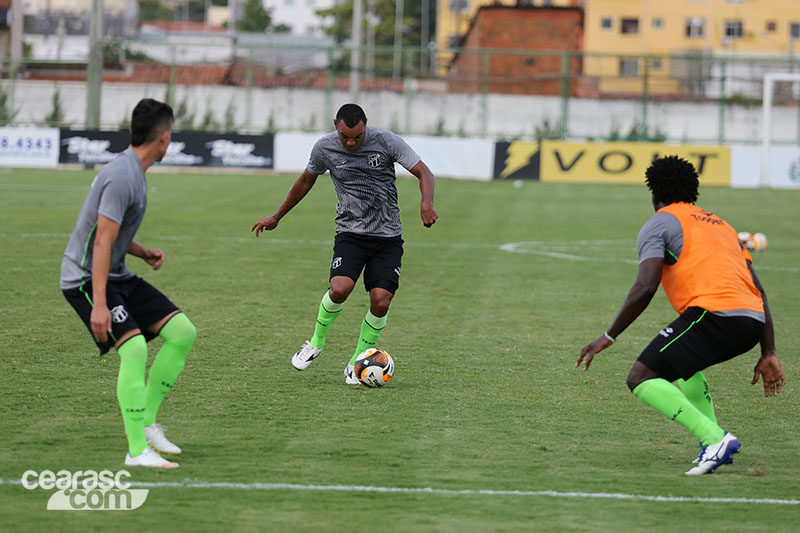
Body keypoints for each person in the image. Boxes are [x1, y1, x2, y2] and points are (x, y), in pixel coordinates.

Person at [576, 155, 785, 476]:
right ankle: (714, 445)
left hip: (716, 316)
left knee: (641, 377)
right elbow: (760, 291)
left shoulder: (660, 222)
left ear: (654, 192)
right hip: (751, 321)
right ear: (693, 190)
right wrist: (768, 350)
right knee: (686, 366)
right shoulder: (723, 226)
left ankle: (715, 438)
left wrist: (609, 335)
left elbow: (646, 285)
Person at [251, 103, 438, 383]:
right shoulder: (324, 147)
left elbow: (424, 171)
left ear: (365, 125)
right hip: (350, 232)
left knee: (381, 301)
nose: (351, 142)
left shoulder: (386, 141)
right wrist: (278, 216)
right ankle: (315, 343)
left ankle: (356, 362)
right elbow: (305, 181)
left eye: (357, 137)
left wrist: (426, 203)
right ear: (336, 125)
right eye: (345, 136)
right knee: (339, 289)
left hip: (388, 236)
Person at [61, 98, 196, 468]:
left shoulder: (134, 170)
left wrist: (141, 251)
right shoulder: (123, 175)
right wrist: (100, 304)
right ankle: (137, 450)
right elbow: (101, 242)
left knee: (182, 332)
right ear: (164, 137)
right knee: (134, 349)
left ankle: (148, 421)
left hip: (115, 270)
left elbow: (110, 233)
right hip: (85, 278)